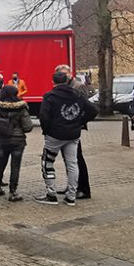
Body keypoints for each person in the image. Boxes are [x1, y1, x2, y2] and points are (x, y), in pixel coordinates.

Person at [36, 71, 97, 206]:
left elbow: (44, 116)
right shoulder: (77, 95)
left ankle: (51, 194)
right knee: (72, 164)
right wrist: (80, 121)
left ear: (53, 82)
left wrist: (47, 130)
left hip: (54, 135)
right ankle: (71, 196)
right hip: (73, 135)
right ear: (67, 81)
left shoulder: (50, 97)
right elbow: (93, 110)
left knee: (48, 162)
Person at [0, 85, 33, 201]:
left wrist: (0, 129)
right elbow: (28, 127)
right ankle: (13, 192)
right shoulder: (21, 108)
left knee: (0, 164)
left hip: (2, 140)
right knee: (15, 166)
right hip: (18, 140)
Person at [55, 64, 93, 198]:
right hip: (64, 128)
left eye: (66, 74)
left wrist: (79, 121)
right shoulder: (62, 87)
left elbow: (86, 107)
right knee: (68, 160)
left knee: (77, 159)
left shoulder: (78, 86)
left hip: (74, 128)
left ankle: (83, 188)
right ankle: (72, 185)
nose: (65, 76)